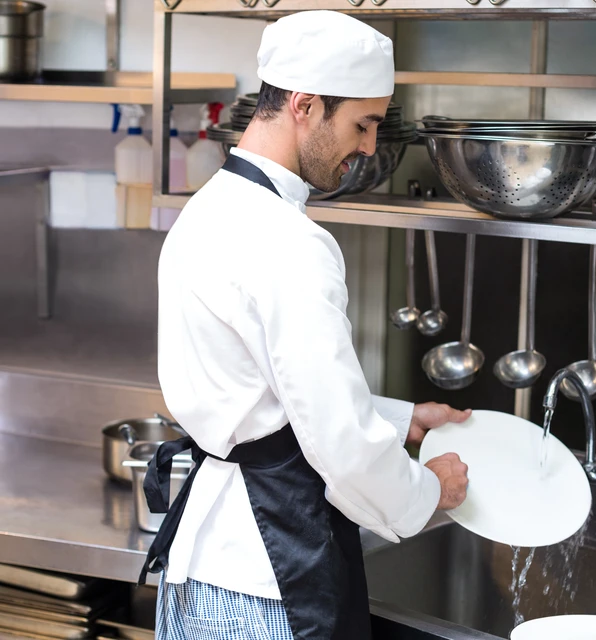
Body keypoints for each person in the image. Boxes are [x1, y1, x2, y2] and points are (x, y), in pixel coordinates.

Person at [141, 10, 470, 640]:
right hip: (264, 584)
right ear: (304, 105)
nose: (371, 146)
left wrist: (403, 421)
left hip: (199, 573)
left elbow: (264, 394)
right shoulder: (289, 241)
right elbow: (340, 443)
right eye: (363, 123)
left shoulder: (209, 207)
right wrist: (428, 491)